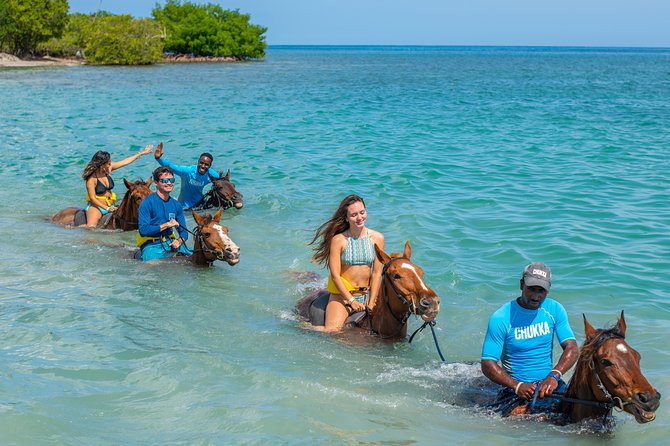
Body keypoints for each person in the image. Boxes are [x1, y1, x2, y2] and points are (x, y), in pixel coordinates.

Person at [481, 263, 578, 416]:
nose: (536, 296)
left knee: (576, 413)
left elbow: (572, 348)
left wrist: (554, 376)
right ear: (521, 285)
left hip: (550, 383)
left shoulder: (555, 310)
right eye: (532, 288)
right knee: (524, 420)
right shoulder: (501, 317)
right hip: (515, 388)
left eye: (541, 290)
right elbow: (487, 364)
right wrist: (517, 386)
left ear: (548, 289)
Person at [309, 194, 385, 332]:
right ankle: (302, 327)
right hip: (342, 297)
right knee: (332, 331)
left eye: (362, 212)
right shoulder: (339, 240)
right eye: (354, 215)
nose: (359, 218)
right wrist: (351, 301)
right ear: (346, 218)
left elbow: (377, 272)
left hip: (367, 295)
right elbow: (335, 275)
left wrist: (372, 300)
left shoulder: (378, 238)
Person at [81, 146, 152, 227]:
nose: (111, 164)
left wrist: (142, 153)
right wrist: (106, 208)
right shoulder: (91, 179)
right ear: (102, 165)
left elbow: (126, 161)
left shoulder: (108, 169)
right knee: (91, 228)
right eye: (109, 163)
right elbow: (92, 198)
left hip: (111, 205)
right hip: (97, 207)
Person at [137, 166, 190, 261]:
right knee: (152, 266)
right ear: (156, 183)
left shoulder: (176, 205)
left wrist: (179, 241)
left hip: (170, 243)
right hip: (152, 246)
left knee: (197, 257)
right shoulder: (147, 202)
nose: (169, 183)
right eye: (165, 180)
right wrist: (167, 224)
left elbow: (184, 233)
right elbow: (143, 230)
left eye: (172, 180)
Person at [153, 142, 220, 209]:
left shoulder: (212, 174)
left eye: (206, 164)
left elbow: (220, 182)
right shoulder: (188, 171)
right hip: (184, 206)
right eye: (201, 163)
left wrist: (212, 190)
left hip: (200, 204)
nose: (203, 166)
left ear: (210, 166)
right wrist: (158, 158)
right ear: (198, 162)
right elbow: (172, 167)